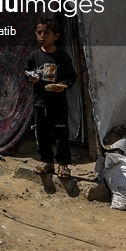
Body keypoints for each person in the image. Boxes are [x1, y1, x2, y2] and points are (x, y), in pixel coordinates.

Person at [25, 17, 77, 176]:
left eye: (46, 33)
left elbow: (71, 77)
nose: (42, 36)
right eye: (39, 32)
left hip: (58, 103)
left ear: (55, 36)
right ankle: (47, 162)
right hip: (40, 102)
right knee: (42, 133)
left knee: (61, 134)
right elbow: (28, 72)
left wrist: (63, 86)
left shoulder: (62, 57)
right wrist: (31, 78)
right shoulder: (34, 56)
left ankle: (63, 164)